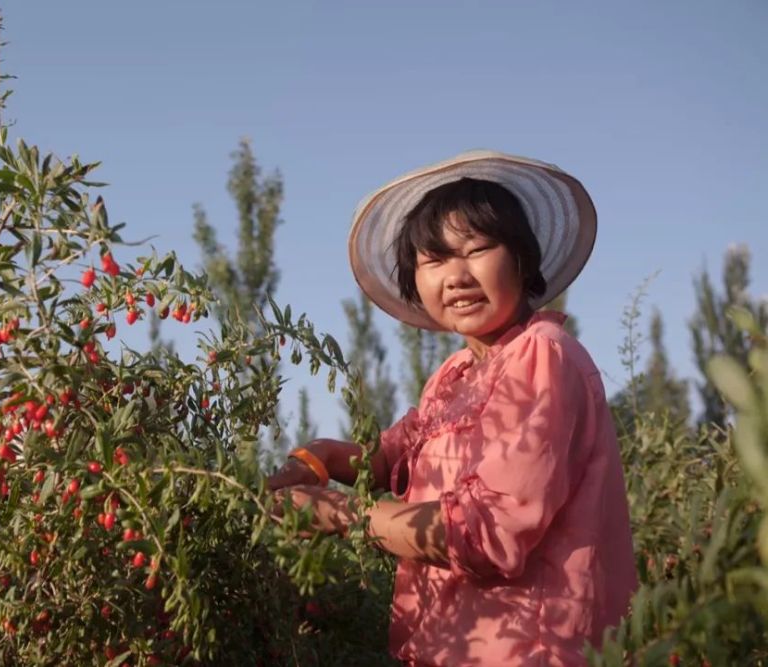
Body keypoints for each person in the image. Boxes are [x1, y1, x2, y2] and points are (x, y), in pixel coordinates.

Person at [268, 151, 638, 666]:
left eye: (478, 249)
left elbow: (488, 532)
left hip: (532, 649)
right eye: (435, 259)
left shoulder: (542, 357)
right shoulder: (454, 375)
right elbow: (394, 460)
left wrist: (338, 514)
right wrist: (320, 458)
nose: (457, 275)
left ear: (522, 259)